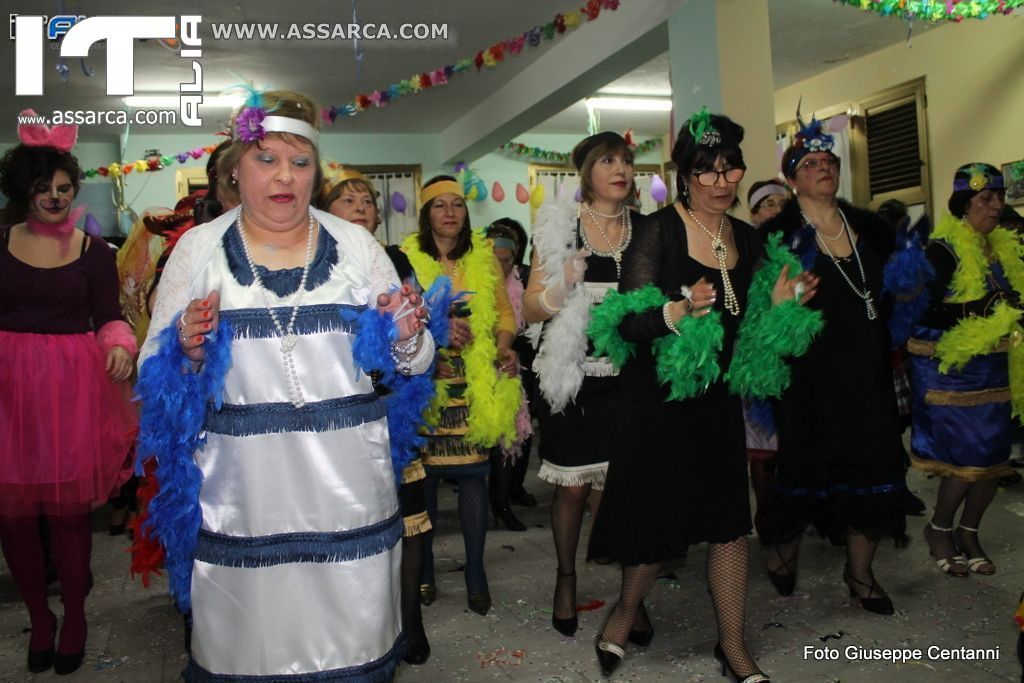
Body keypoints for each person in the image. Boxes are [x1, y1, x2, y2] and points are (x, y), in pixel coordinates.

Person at [136, 89, 434, 680]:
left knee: (351, 649)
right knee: (251, 648)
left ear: (315, 173)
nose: (284, 177)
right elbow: (152, 373)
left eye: (300, 163)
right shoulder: (198, 249)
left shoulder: (355, 245)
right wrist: (186, 350)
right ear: (234, 169)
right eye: (266, 159)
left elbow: (417, 364)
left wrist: (406, 337)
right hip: (243, 497)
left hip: (348, 493)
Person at [586, 111, 818, 680]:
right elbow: (627, 324)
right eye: (706, 171)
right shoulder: (657, 232)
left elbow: (755, 335)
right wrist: (677, 310)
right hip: (659, 405)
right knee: (656, 526)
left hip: (717, 406)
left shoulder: (748, 239)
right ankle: (624, 612)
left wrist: (783, 308)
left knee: (729, 525)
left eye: (730, 169)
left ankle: (733, 645)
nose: (721, 182)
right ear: (684, 175)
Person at [0, 114, 138, 675]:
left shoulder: (95, 251)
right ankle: (40, 617)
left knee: (67, 515)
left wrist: (120, 344)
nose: (55, 198)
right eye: (44, 188)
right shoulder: (0, 242)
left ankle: (75, 616)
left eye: (64, 188)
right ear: (23, 190)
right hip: (7, 393)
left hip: (69, 392)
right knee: (13, 518)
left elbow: (109, 316)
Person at [758, 117, 909, 615]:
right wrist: (782, 307)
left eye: (829, 161)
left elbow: (898, 293)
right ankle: (783, 551)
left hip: (867, 372)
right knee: (804, 467)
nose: (823, 168)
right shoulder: (777, 236)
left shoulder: (873, 229)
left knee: (873, 466)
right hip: (808, 377)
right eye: (810, 163)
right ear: (792, 179)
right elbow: (759, 319)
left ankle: (860, 573)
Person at [522, 131, 642, 639]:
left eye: (627, 161)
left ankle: (631, 596)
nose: (621, 169)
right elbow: (529, 309)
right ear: (586, 172)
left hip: (630, 379)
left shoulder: (647, 229)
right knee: (572, 487)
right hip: (573, 378)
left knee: (623, 492)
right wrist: (561, 284)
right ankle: (566, 578)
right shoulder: (559, 227)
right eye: (608, 160)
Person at [319, 167, 432, 665]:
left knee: (411, 518)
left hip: (393, 405)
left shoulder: (396, 259)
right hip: (336, 413)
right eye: (348, 200)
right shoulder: (317, 265)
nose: (361, 207)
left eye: (367, 200)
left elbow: (418, 329)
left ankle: (411, 620)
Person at [402, 175, 521, 617]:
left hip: (473, 386)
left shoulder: (484, 257)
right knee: (427, 481)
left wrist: (504, 346)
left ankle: (475, 570)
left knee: (474, 478)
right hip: (427, 384)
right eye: (440, 205)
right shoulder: (407, 259)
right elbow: (399, 317)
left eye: (457, 204)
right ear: (426, 214)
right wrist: (436, 331)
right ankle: (425, 569)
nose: (450, 212)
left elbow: (504, 313)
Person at [909, 163, 1018, 577]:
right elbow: (922, 312)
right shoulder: (942, 251)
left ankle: (969, 532)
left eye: (999, 197)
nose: (996, 206)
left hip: (998, 370)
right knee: (967, 461)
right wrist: (974, 309)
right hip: (955, 374)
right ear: (963, 204)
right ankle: (939, 528)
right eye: (985, 199)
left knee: (995, 459)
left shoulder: (1003, 247)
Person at [484, 220, 532, 532]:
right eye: (495, 260)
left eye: (507, 260)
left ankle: (502, 503)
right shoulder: (475, 286)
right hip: (478, 371)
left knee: (510, 437)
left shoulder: (521, 283)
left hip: (511, 369)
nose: (501, 266)